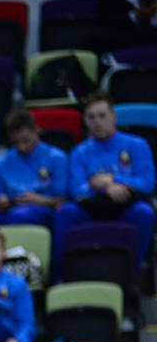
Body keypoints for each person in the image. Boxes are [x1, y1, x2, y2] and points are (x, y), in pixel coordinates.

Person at [52, 90, 156, 269]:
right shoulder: (79, 152)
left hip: (126, 205)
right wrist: (100, 187)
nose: (97, 122)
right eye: (91, 117)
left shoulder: (137, 145)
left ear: (114, 117)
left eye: (102, 116)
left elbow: (148, 183)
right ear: (85, 121)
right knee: (65, 212)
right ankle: (62, 275)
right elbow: (76, 189)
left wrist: (114, 179)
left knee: (145, 213)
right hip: (92, 208)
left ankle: (133, 272)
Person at [0, 108, 70, 242]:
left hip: (42, 211)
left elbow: (64, 200)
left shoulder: (57, 158)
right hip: (8, 212)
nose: (21, 147)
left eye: (25, 140)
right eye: (16, 142)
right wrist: (0, 202)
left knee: (20, 216)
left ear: (36, 131)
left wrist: (39, 200)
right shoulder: (0, 163)